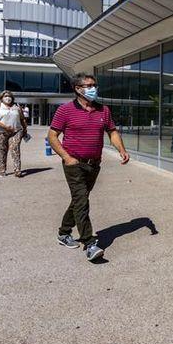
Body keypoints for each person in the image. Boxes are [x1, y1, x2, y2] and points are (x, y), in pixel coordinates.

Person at [47, 73, 129, 261]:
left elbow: (112, 132)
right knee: (82, 201)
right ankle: (90, 243)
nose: (93, 88)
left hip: (94, 164)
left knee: (79, 200)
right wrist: (67, 157)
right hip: (74, 163)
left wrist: (122, 150)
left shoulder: (103, 110)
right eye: (89, 85)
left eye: (95, 85)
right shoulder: (65, 110)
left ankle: (63, 232)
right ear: (78, 89)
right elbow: (52, 136)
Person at [0, 90, 28, 178]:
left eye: (9, 96)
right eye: (5, 96)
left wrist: (25, 129)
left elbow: (22, 119)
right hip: (0, 132)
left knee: (15, 148)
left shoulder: (17, 106)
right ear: (1, 98)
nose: (7, 98)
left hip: (16, 131)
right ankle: (2, 171)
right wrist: (5, 127)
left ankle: (17, 170)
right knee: (2, 150)